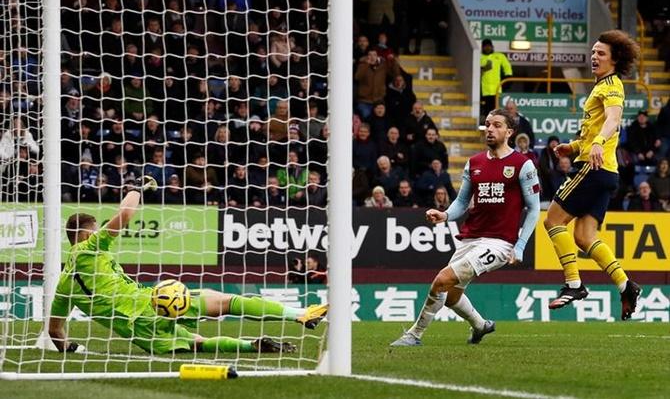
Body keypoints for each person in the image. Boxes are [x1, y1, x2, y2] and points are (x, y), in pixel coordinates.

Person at [49, 176, 328, 355]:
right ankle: (299, 313)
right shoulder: (89, 247)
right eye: (96, 228)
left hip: (142, 336)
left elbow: (55, 331)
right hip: (150, 303)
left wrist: (70, 348)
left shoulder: (63, 284)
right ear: (85, 234)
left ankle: (251, 345)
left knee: (197, 343)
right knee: (225, 302)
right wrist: (135, 188)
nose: (99, 231)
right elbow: (125, 212)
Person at [391, 108, 540, 346]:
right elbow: (461, 202)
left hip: (499, 243)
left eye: (497, 125)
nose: (490, 129)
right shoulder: (474, 163)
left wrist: (520, 245)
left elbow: (533, 209)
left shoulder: (523, 165)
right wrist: (445, 214)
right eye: (488, 124)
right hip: (470, 238)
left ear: (509, 132)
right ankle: (481, 326)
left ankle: (414, 335)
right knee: (451, 295)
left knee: (441, 280)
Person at [543, 30, 641, 320]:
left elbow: (613, 119)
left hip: (592, 167)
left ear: (614, 60)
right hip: (606, 171)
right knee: (585, 237)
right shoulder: (601, 86)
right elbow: (598, 130)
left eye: (601, 54)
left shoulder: (611, 86)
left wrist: (595, 143)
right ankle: (626, 285)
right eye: (593, 52)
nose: (594, 57)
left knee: (552, 220)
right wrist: (572, 146)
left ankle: (573, 284)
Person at [480, 39, 512, 126]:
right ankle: (488, 126)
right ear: (482, 47)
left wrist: (508, 78)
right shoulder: (479, 57)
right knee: (487, 111)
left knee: (497, 110)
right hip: (484, 91)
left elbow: (507, 67)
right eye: (485, 46)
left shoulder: (499, 56)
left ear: (492, 46)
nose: (487, 48)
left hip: (497, 90)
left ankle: (497, 124)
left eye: (489, 46)